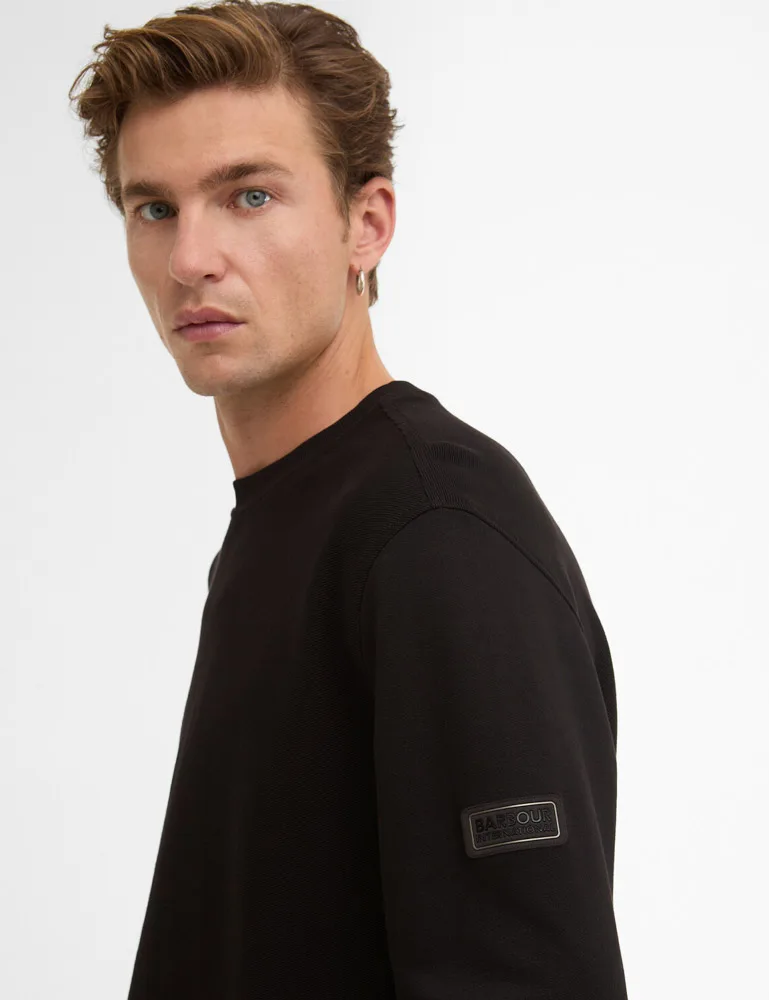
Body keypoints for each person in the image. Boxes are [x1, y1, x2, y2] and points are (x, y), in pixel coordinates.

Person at [68, 3, 629, 997]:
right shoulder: (291, 518)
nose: (190, 257)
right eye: (153, 209)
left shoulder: (433, 533)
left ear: (364, 225)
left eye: (248, 196)